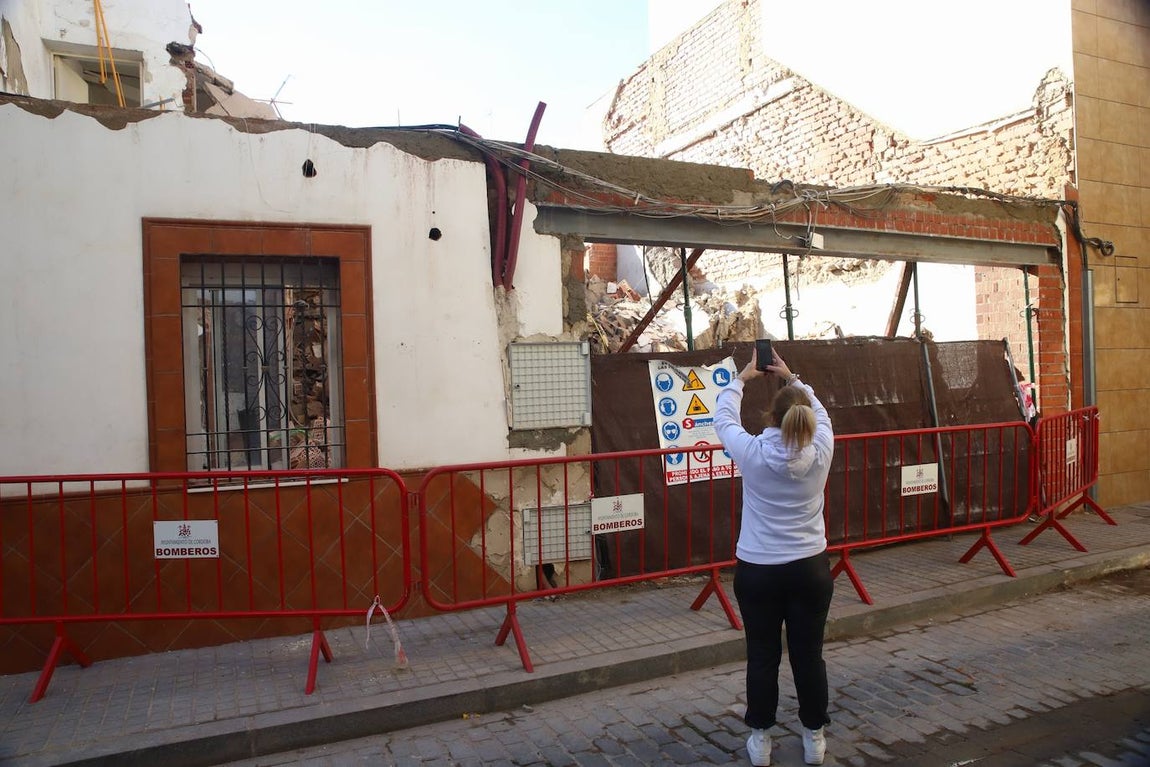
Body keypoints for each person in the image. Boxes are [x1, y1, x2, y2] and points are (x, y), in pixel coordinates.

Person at [714, 345, 835, 767]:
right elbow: (820, 412)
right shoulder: (821, 448)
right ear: (807, 420)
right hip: (810, 569)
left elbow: (723, 419)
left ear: (772, 418)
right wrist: (792, 377)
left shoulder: (752, 453)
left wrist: (742, 378)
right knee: (808, 655)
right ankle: (814, 737)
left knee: (762, 655)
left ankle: (761, 740)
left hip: (759, 570)